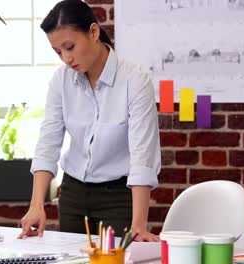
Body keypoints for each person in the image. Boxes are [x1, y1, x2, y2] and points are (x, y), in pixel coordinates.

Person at [17, 0, 161, 242]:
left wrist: (139, 224)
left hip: (118, 196)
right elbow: (48, 143)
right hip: (73, 194)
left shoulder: (135, 81)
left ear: (93, 32)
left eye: (70, 47)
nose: (66, 58)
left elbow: (142, 156)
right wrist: (36, 205)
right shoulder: (61, 81)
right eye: (58, 52)